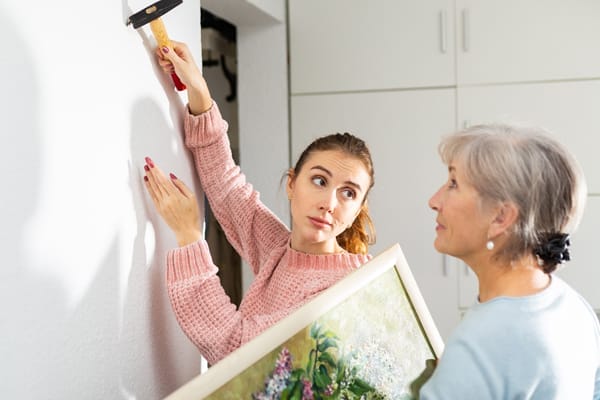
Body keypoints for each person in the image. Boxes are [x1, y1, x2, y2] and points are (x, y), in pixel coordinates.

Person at [142, 40, 376, 365]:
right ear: (292, 184)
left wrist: (189, 236)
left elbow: (237, 349)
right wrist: (198, 91)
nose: (329, 203)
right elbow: (227, 186)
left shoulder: (343, 289)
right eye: (320, 181)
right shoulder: (280, 249)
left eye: (348, 193)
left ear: (356, 212)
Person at [420, 123, 600, 399]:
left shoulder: (480, 344)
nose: (434, 201)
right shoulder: (572, 305)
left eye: (453, 184)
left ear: (500, 218)